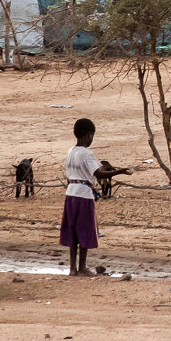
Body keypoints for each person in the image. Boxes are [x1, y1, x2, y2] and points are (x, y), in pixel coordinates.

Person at [60, 117, 103, 276]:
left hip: (70, 193)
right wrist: (121, 171)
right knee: (84, 229)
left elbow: (68, 175)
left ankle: (72, 268)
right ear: (88, 135)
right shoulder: (87, 154)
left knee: (72, 230)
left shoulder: (70, 151)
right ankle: (82, 267)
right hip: (84, 195)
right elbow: (98, 173)